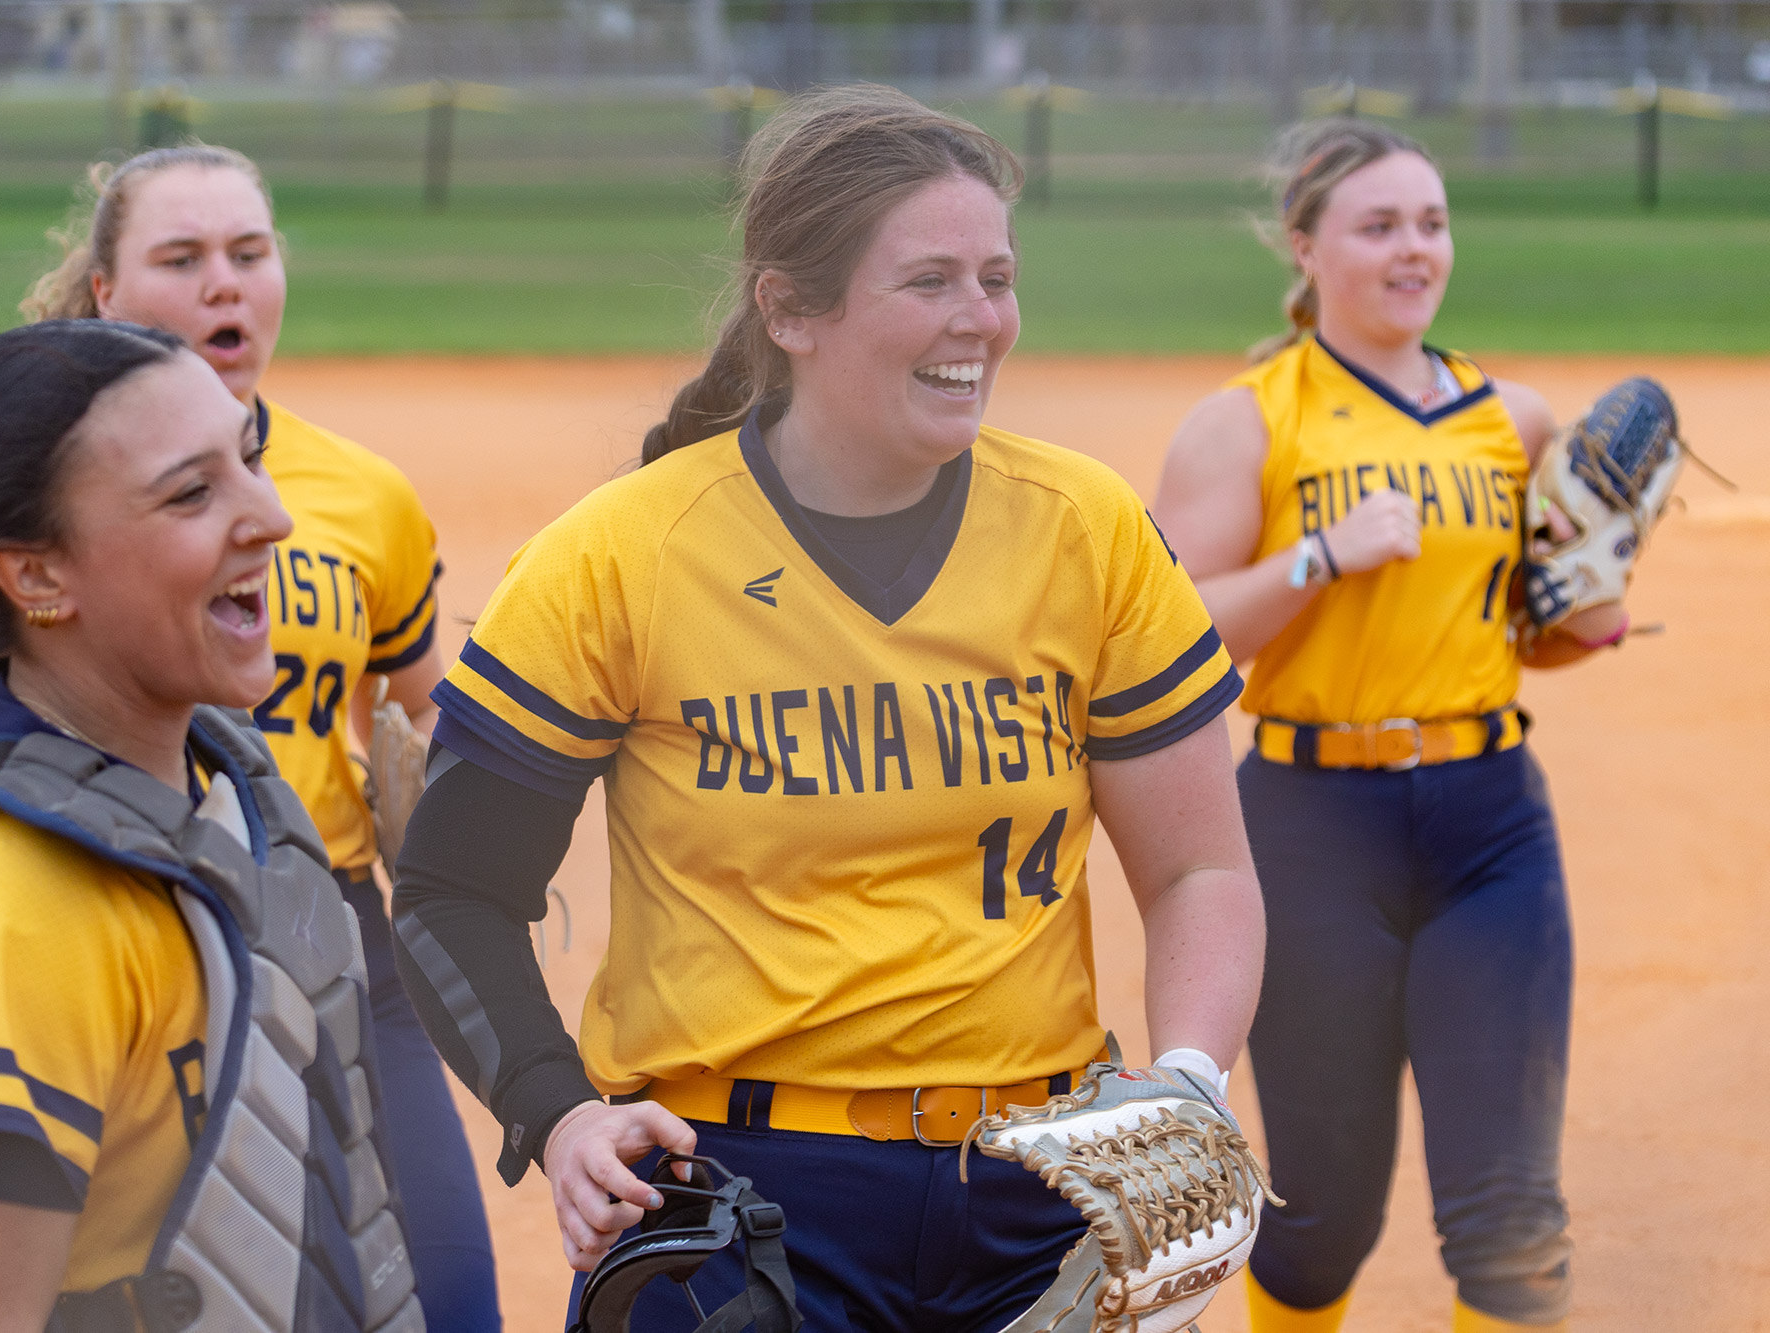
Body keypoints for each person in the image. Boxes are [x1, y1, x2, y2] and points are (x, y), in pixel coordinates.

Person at [387, 85, 1266, 1331]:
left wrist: (1186, 1079)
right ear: (788, 308)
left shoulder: (1088, 529)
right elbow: (450, 890)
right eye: (930, 282)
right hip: (735, 1196)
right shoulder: (622, 554)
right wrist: (558, 1108)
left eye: (997, 277)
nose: (982, 321)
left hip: (1036, 1191)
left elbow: (1196, 872)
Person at [0, 144, 500, 1328]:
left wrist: (445, 822)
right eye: (183, 258)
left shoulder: (365, 493)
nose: (227, 284)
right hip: (130, 911)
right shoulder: (24, 495)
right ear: (105, 292)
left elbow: (423, 710)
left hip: (330, 924)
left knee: (438, 1293)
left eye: (250, 251)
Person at [1150, 120, 1625, 1333]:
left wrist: (1584, 614)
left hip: (1489, 823)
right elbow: (1168, 637)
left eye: (1430, 222)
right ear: (1304, 249)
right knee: (1318, 1225)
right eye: (1379, 226)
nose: (1414, 248)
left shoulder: (1510, 422)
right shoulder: (1247, 421)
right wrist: (1317, 553)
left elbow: (1521, 635)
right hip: (1311, 832)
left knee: (1510, 1216)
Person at [0, 320, 421, 1332]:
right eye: (190, 492)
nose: (274, 517)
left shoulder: (229, 778)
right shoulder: (5, 915)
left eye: (248, 459)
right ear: (36, 576)